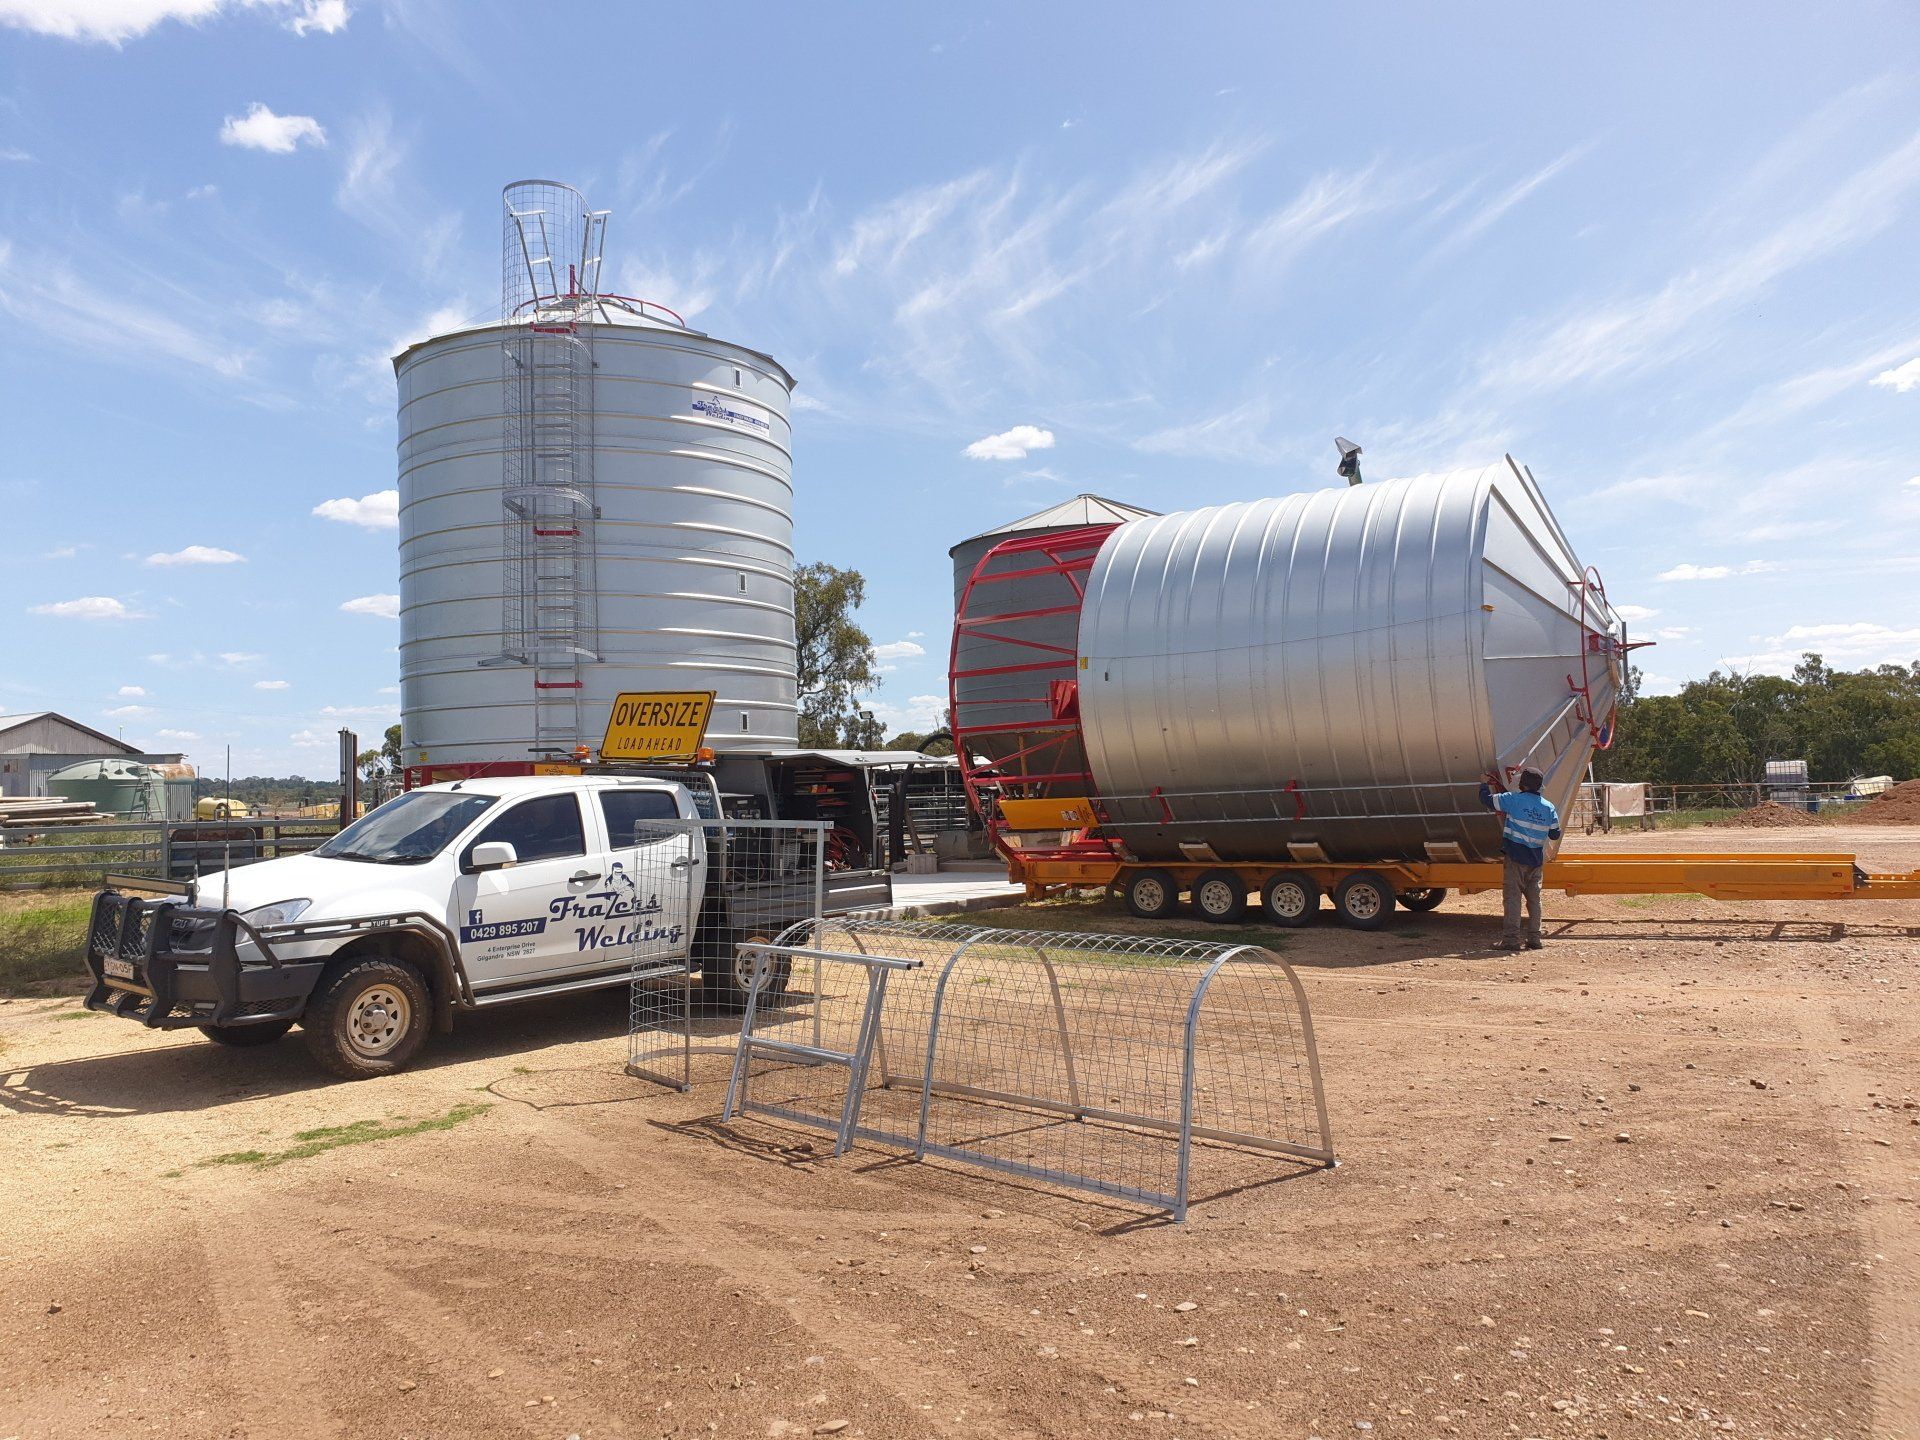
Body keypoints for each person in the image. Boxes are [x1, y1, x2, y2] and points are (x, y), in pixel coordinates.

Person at [1480, 765, 1562, 951]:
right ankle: (1534, 939)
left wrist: (1484, 784)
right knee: (1534, 900)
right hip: (1535, 861)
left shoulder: (1513, 800)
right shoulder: (1549, 808)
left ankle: (1511, 940)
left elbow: (1486, 800)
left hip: (1515, 859)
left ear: (1522, 784)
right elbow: (1555, 834)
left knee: (1512, 898)